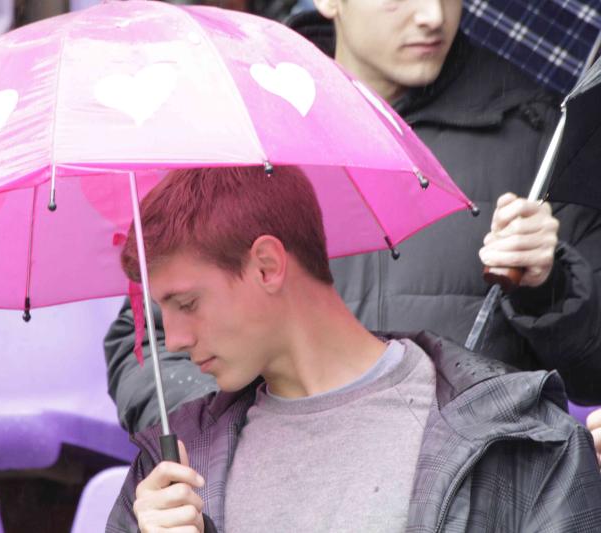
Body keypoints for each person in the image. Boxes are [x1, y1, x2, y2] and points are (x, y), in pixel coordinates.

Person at [104, 0, 601, 436]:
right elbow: (148, 343)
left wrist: (547, 285)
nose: (432, 15)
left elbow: (592, 369)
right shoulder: (245, 126)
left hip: (475, 491)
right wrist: (231, 441)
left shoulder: (540, 135)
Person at [106, 165, 601, 532]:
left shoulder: (517, 435)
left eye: (187, 303)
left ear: (266, 265)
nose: (172, 339)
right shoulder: (171, 473)